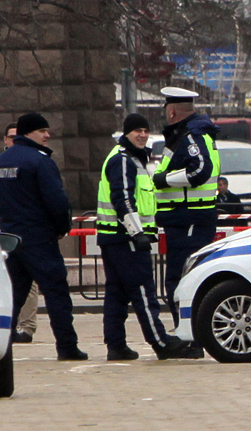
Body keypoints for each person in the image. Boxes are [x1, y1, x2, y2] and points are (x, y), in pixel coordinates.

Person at [98, 114, 201, 361]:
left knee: (117, 293)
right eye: (137, 131)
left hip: (114, 238)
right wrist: (138, 233)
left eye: (145, 130)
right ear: (126, 133)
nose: (142, 134)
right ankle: (161, 343)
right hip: (126, 239)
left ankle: (116, 345)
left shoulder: (132, 159)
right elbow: (122, 199)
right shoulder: (124, 160)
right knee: (143, 290)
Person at [0, 113, 87, 361]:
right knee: (56, 292)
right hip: (38, 237)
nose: (47, 135)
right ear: (28, 133)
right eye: (42, 131)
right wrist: (61, 226)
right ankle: (67, 346)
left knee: (11, 295)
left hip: (10, 238)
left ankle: (0, 347)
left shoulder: (0, 162)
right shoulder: (40, 161)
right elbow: (56, 200)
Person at [153, 87, 221, 329]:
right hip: (184, 218)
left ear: (171, 111)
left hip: (189, 218)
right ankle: (187, 331)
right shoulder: (189, 134)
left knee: (182, 279)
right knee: (181, 278)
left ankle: (188, 334)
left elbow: (199, 170)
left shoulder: (191, 136)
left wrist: (164, 180)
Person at [0, 122, 40, 344]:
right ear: (4, 140)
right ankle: (7, 325)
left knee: (29, 283)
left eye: (19, 136)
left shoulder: (34, 162)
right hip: (3, 231)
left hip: (27, 232)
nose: (14, 141)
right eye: (11, 137)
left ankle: (26, 327)